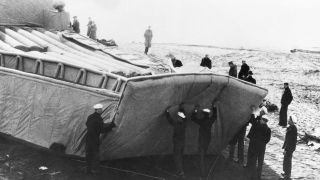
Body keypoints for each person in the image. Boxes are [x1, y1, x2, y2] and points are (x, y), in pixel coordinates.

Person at [85, 104, 116, 174]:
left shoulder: (90, 116)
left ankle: (88, 170)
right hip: (94, 139)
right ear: (98, 110)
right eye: (101, 109)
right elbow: (102, 130)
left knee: (88, 154)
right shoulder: (98, 118)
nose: (102, 110)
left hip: (88, 138)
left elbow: (86, 124)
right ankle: (94, 170)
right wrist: (111, 126)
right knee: (95, 155)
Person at [191, 103, 218, 178]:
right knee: (203, 156)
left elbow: (192, 118)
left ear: (203, 115)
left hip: (201, 142)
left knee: (201, 158)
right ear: (208, 115)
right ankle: (202, 173)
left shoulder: (201, 121)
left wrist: (195, 109)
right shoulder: (210, 121)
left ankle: (203, 176)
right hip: (207, 141)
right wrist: (214, 107)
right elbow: (215, 116)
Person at [246, 106, 271, 180]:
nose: (260, 120)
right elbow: (267, 139)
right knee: (260, 162)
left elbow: (252, 121)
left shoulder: (257, 125)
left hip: (255, 146)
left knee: (253, 161)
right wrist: (262, 143)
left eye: (261, 120)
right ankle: (258, 177)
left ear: (263, 120)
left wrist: (253, 112)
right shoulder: (268, 129)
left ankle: (252, 176)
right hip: (262, 147)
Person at [166, 103, 187, 178]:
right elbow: (184, 117)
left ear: (179, 118)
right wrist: (182, 108)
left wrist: (167, 111)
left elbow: (170, 120)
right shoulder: (184, 123)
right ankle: (181, 171)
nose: (177, 117)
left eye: (178, 116)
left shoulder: (176, 124)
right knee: (180, 156)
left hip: (177, 143)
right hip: (182, 143)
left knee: (176, 157)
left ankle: (180, 172)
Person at [281, 116, 297, 180]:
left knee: (287, 161)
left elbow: (290, 140)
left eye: (289, 120)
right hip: (289, 147)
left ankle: (287, 175)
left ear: (292, 121)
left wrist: (286, 149)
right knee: (286, 160)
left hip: (289, 148)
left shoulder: (293, 129)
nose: (288, 121)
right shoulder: (292, 127)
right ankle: (286, 172)